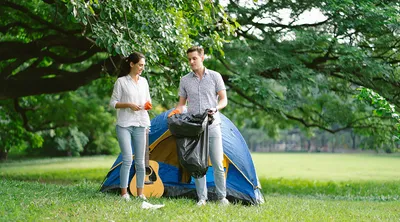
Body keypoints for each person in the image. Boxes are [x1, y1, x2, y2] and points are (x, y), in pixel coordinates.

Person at [168, 46, 229, 206]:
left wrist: (216, 107)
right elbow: (182, 105)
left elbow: (224, 99)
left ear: (202, 58)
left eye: (194, 58)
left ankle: (222, 197)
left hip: (213, 125)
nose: (191, 62)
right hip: (194, 128)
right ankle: (202, 198)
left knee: (217, 162)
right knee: (198, 163)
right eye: (189, 59)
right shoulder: (185, 80)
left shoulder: (215, 76)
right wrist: (175, 112)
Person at [109, 52, 152, 201]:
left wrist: (146, 106)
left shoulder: (144, 82)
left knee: (140, 161)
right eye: (140, 65)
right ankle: (124, 193)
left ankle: (140, 194)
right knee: (127, 158)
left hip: (141, 123)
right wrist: (128, 105)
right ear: (131, 64)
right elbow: (113, 103)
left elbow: (148, 101)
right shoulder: (121, 82)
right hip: (124, 124)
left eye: (143, 65)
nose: (142, 68)